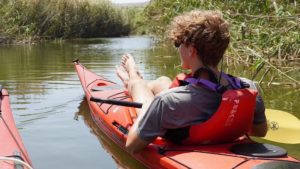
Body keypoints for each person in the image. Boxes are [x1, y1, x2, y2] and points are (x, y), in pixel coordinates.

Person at [116, 10, 268, 154]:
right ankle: (135, 82)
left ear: (191, 50)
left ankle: (133, 76)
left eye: (178, 43)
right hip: (195, 100)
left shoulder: (166, 102)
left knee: (139, 85)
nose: (178, 49)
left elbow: (132, 145)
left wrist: (151, 107)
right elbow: (261, 131)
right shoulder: (249, 87)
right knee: (163, 81)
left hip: (181, 105)